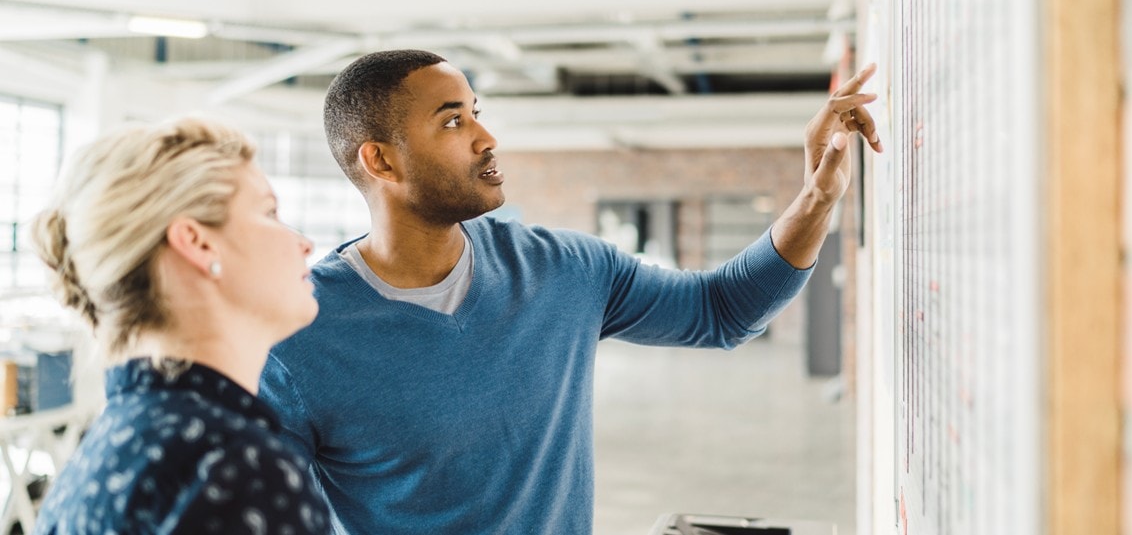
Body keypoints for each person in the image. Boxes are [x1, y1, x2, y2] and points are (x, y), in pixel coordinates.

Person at [258, 50, 882, 534]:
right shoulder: (295, 335)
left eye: (478, 111)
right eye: (453, 121)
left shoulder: (564, 269)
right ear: (382, 162)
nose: (486, 137)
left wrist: (818, 199)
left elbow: (722, 311)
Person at [31, 117, 332, 534]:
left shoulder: (108, 452)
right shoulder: (238, 470)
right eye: (269, 212)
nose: (304, 243)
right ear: (197, 242)